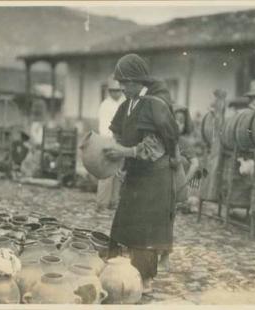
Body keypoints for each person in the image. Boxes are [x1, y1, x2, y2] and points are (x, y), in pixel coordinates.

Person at [103, 54, 180, 293]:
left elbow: (152, 149)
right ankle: (123, 274)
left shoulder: (154, 104)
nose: (122, 87)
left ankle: (144, 281)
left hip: (154, 177)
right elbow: (118, 135)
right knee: (125, 226)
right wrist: (113, 152)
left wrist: (122, 152)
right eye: (120, 83)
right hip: (135, 173)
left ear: (139, 81)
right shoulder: (128, 105)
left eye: (126, 82)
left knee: (145, 234)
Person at [97, 77, 126, 209]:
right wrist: (109, 140)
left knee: (119, 172)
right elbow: (103, 126)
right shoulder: (105, 105)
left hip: (121, 141)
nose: (116, 93)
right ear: (109, 91)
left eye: (118, 91)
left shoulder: (125, 103)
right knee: (106, 173)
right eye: (113, 91)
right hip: (108, 139)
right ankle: (102, 202)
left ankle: (114, 201)